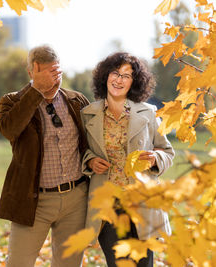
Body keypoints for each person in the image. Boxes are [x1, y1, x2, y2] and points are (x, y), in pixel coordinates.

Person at [0, 44, 90, 267]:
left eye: (56, 73)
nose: (52, 81)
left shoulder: (77, 101)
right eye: (45, 74)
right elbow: (9, 130)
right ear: (31, 72)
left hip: (75, 199)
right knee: (18, 263)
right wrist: (36, 91)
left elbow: (93, 142)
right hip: (33, 201)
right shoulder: (12, 101)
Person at [80, 52, 174, 267]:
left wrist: (155, 157)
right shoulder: (87, 114)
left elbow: (167, 152)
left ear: (134, 82)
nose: (119, 80)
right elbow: (80, 151)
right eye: (115, 73)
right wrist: (90, 161)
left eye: (126, 76)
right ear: (105, 76)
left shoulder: (148, 113)